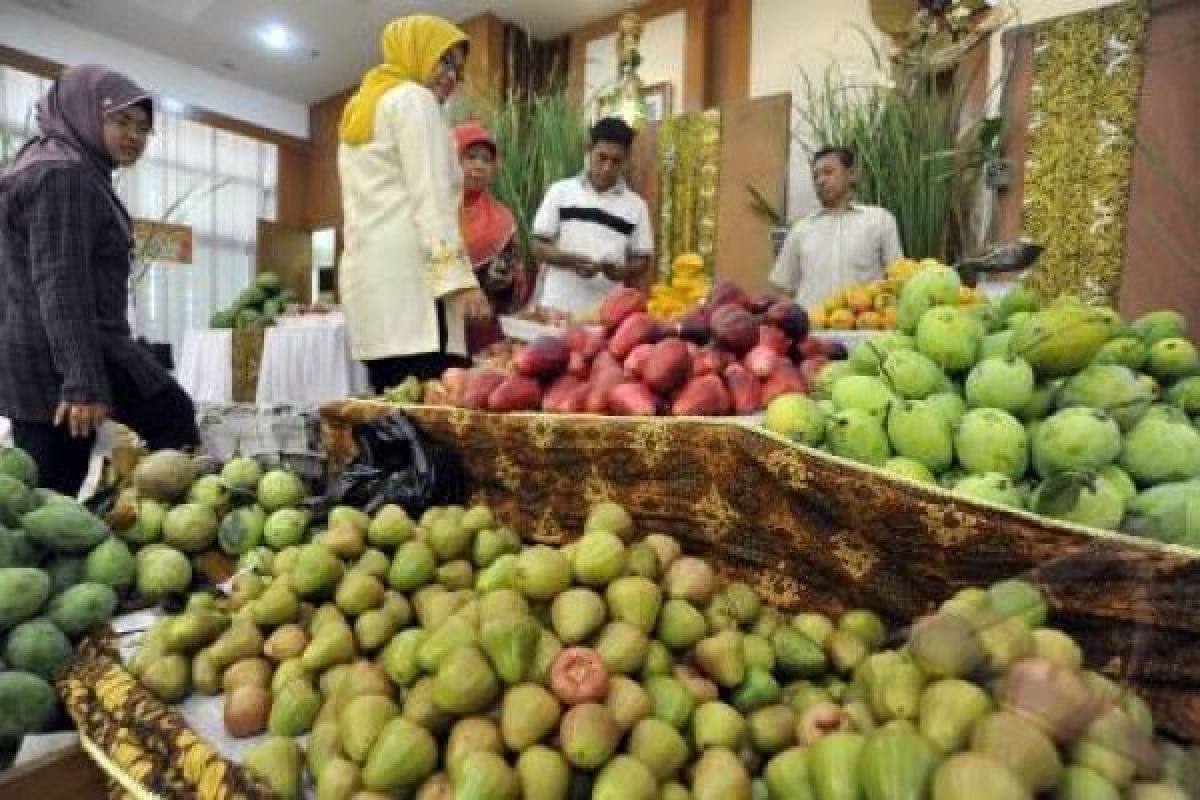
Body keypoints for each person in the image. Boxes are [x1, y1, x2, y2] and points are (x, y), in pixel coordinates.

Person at [0, 65, 200, 496]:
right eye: (120, 120)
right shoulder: (63, 175)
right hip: (65, 361)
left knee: (50, 494)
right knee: (51, 496)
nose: (134, 135)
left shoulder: (54, 161)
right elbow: (60, 284)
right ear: (84, 112)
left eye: (144, 127)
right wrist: (81, 383)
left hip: (52, 355)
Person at [338, 14, 492, 393]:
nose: (451, 76)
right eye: (444, 61)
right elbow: (432, 199)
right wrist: (459, 281)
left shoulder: (361, 107)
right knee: (427, 418)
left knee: (391, 415)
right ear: (415, 52)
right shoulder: (414, 98)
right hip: (414, 284)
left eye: (457, 68)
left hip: (371, 283)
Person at [531, 117, 654, 316]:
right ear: (589, 149)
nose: (607, 167)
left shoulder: (636, 206)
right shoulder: (560, 192)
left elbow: (643, 260)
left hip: (607, 313)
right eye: (602, 157)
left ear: (627, 159)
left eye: (616, 161)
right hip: (556, 306)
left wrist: (623, 272)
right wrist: (571, 260)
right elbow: (538, 247)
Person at [769, 146, 904, 309]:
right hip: (812, 330)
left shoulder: (880, 220)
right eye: (815, 176)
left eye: (828, 172)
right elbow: (784, 287)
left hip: (865, 328)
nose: (820, 180)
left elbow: (897, 279)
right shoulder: (801, 229)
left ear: (851, 174)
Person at [453, 121, 526, 354]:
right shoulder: (433, 212)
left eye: (486, 160)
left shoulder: (502, 218)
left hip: (481, 330)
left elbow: (515, 284)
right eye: (471, 156)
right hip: (435, 326)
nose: (479, 166)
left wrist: (505, 282)